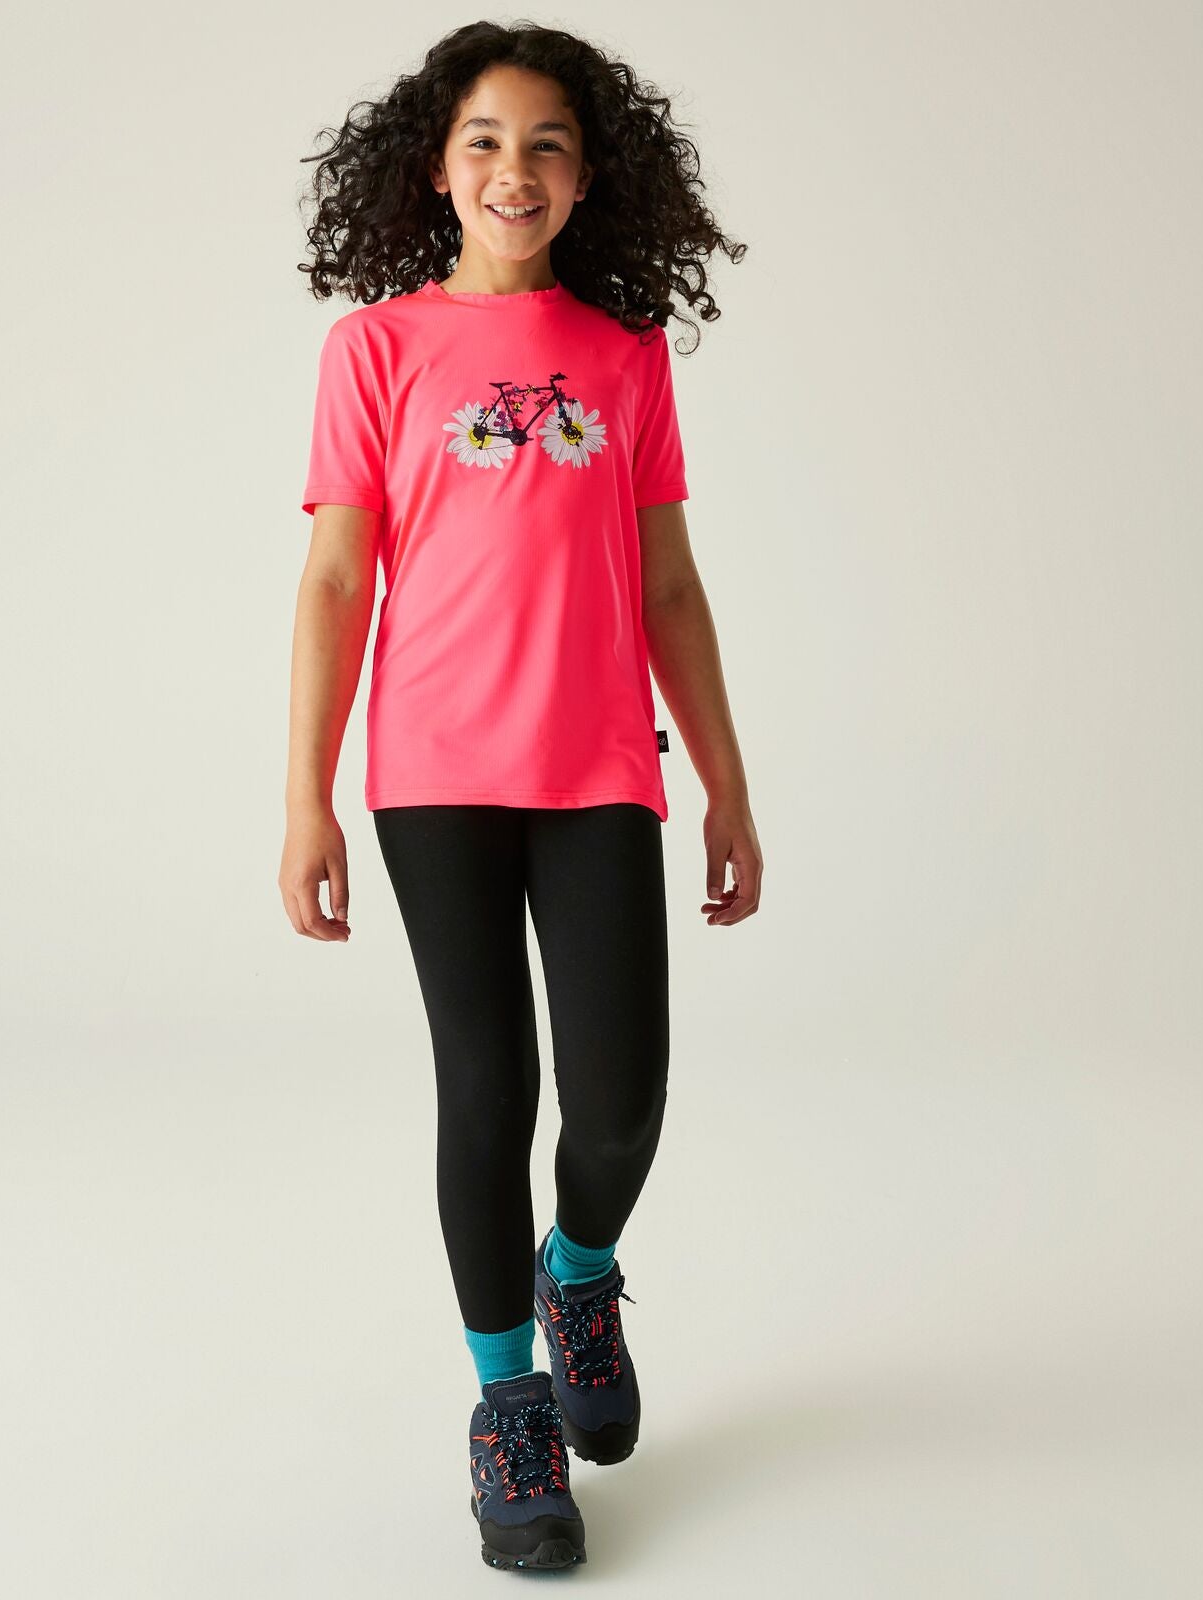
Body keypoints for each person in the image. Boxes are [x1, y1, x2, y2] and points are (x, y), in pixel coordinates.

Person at [279, 21, 762, 1573]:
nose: (514, 168)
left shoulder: (625, 358)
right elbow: (337, 577)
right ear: (436, 167)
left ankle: (580, 1273)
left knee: (620, 1099)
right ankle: (509, 1410)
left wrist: (729, 786)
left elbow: (670, 584)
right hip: (433, 775)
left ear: (587, 174)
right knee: (489, 1090)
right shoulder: (378, 350)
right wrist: (305, 799)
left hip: (599, 767)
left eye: (548, 141)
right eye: (484, 139)